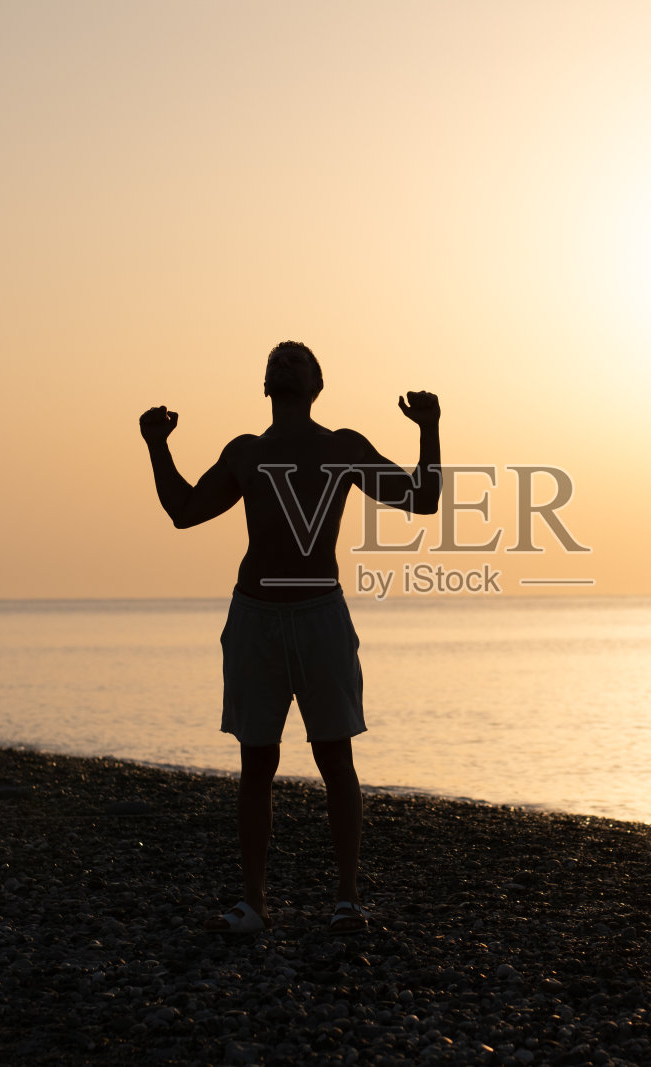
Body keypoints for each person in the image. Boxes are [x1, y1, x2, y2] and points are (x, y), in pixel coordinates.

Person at [139, 341, 441, 933]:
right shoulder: (247, 452)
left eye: (297, 359)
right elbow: (184, 510)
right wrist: (156, 446)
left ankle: (348, 899)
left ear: (316, 385)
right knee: (257, 761)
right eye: (276, 360)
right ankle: (253, 903)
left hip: (320, 615)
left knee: (335, 756)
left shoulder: (342, 446)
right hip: (255, 615)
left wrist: (429, 430)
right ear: (266, 385)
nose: (285, 361)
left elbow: (422, 499)